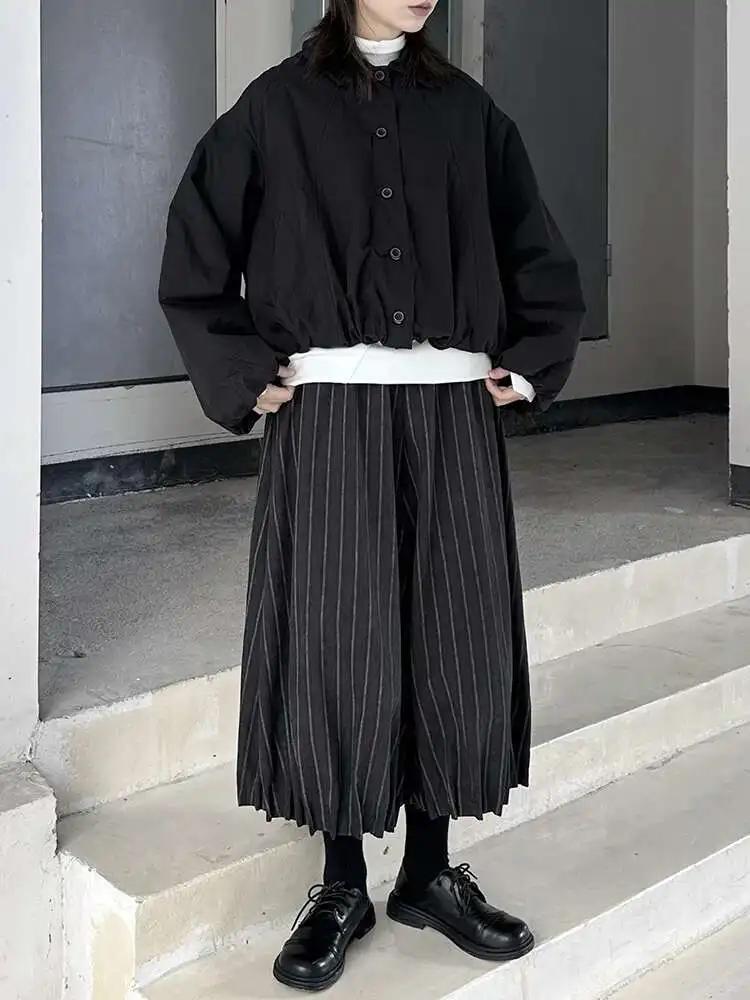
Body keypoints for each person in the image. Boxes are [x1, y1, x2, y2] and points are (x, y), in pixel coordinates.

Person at [159, 0, 585, 992]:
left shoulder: (469, 113)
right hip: (331, 413)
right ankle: (342, 880)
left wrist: (531, 361)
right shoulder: (276, 108)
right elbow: (196, 244)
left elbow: (535, 244)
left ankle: (429, 872)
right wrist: (240, 370)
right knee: (337, 640)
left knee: (454, 636)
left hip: (452, 412)